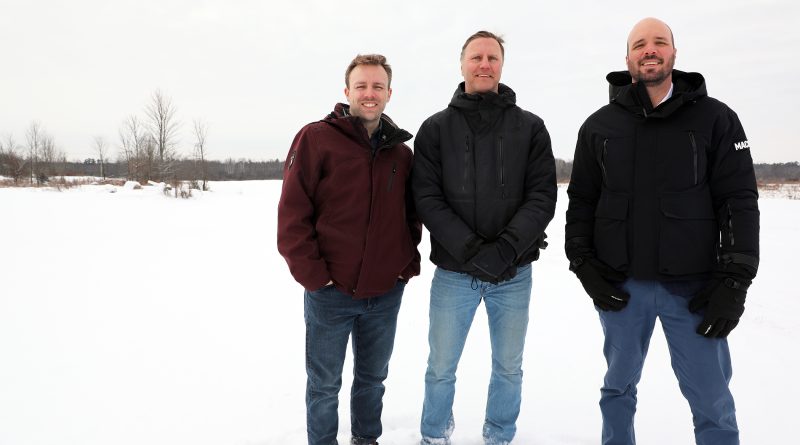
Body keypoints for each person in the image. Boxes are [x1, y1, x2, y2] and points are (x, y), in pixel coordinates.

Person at [565, 17, 759, 445]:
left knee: (712, 400)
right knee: (617, 389)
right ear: (628, 57)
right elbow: (581, 202)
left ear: (674, 53)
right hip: (621, 286)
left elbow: (739, 202)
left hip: (694, 291)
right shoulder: (599, 126)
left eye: (659, 42)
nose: (649, 50)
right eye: (639, 44)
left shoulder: (716, 119)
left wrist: (735, 280)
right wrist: (584, 265)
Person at [412, 31, 557, 445]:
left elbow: (543, 194)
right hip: (454, 273)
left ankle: (499, 434)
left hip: (513, 273)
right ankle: (434, 434)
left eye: (492, 57)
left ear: (501, 65)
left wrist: (507, 248)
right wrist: (473, 250)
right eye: (476, 57)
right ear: (462, 65)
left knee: (508, 365)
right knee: (441, 365)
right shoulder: (435, 129)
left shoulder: (530, 127)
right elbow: (427, 196)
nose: (484, 64)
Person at [277, 53, 422, 445]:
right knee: (324, 385)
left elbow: (411, 216)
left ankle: (366, 439)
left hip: (385, 292)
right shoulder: (316, 138)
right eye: (362, 86)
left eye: (377, 86)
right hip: (330, 293)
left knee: (373, 380)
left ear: (389, 93)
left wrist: (405, 265)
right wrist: (316, 278)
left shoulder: (400, 153)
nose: (369, 93)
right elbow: (292, 215)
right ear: (347, 91)